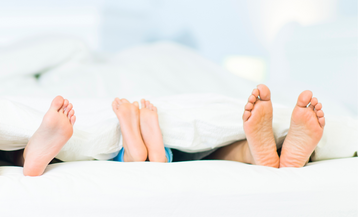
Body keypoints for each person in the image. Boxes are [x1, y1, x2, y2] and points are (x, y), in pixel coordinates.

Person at [111, 84, 325, 168]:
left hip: (173, 155)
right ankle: (251, 153)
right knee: (210, 153)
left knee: (201, 155)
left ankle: (134, 154)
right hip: (184, 152)